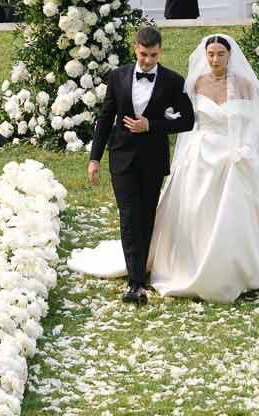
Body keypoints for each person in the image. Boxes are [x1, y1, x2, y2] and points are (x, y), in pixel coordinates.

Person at [70, 35, 259, 303]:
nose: (215, 59)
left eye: (220, 54)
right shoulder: (193, 83)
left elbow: (244, 125)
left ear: (229, 55)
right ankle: (140, 279)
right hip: (194, 157)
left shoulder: (238, 85)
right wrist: (94, 158)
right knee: (154, 214)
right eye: (210, 54)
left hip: (230, 158)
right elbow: (177, 121)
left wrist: (243, 151)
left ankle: (233, 268)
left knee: (219, 214)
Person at [77, 25, 196, 303]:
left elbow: (187, 121)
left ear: (160, 52)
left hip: (153, 160)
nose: (147, 60)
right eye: (143, 55)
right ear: (135, 49)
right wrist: (94, 158)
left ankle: (141, 270)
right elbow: (105, 119)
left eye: (153, 55)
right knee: (129, 216)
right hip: (122, 158)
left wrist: (151, 125)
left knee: (146, 216)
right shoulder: (118, 77)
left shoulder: (172, 81)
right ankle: (136, 283)